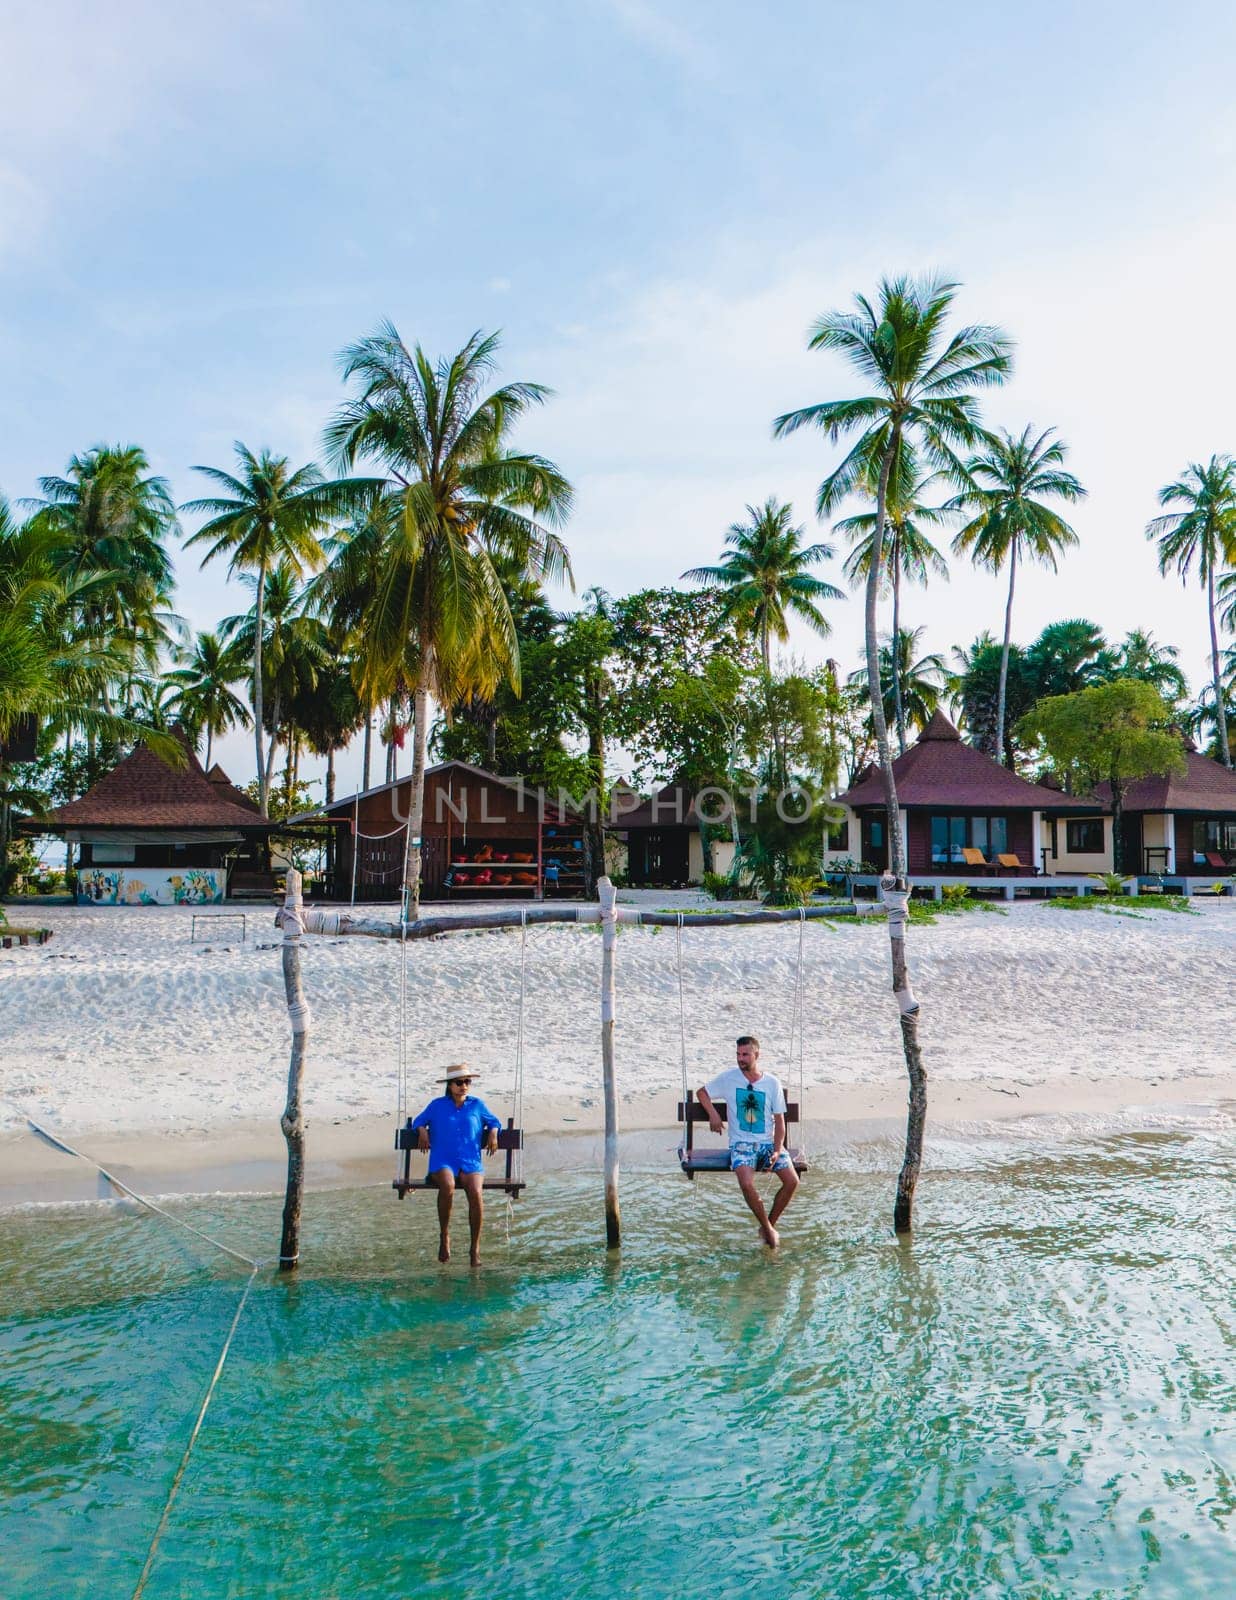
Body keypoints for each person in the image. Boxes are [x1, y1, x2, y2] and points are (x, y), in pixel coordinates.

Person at [696, 1035, 798, 1248]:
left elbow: (780, 1122)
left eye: (745, 1054)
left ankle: (768, 1225)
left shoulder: (772, 1083)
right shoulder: (729, 1078)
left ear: (756, 1055)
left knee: (792, 1181)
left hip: (768, 1144)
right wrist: (714, 1114)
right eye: (738, 1054)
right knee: (746, 1183)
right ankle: (769, 1230)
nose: (740, 1059)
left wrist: (778, 1150)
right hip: (741, 1144)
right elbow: (702, 1093)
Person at [410, 1065, 502, 1264]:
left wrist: (493, 1132)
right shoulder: (437, 1105)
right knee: (448, 1185)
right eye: (459, 1082)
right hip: (443, 1160)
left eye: (467, 1082)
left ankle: (474, 1248)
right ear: (450, 1086)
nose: (464, 1086)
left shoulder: (477, 1105)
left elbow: (495, 1122)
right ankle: (444, 1236)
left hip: (470, 1160)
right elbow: (417, 1121)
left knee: (476, 1192)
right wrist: (422, 1131)